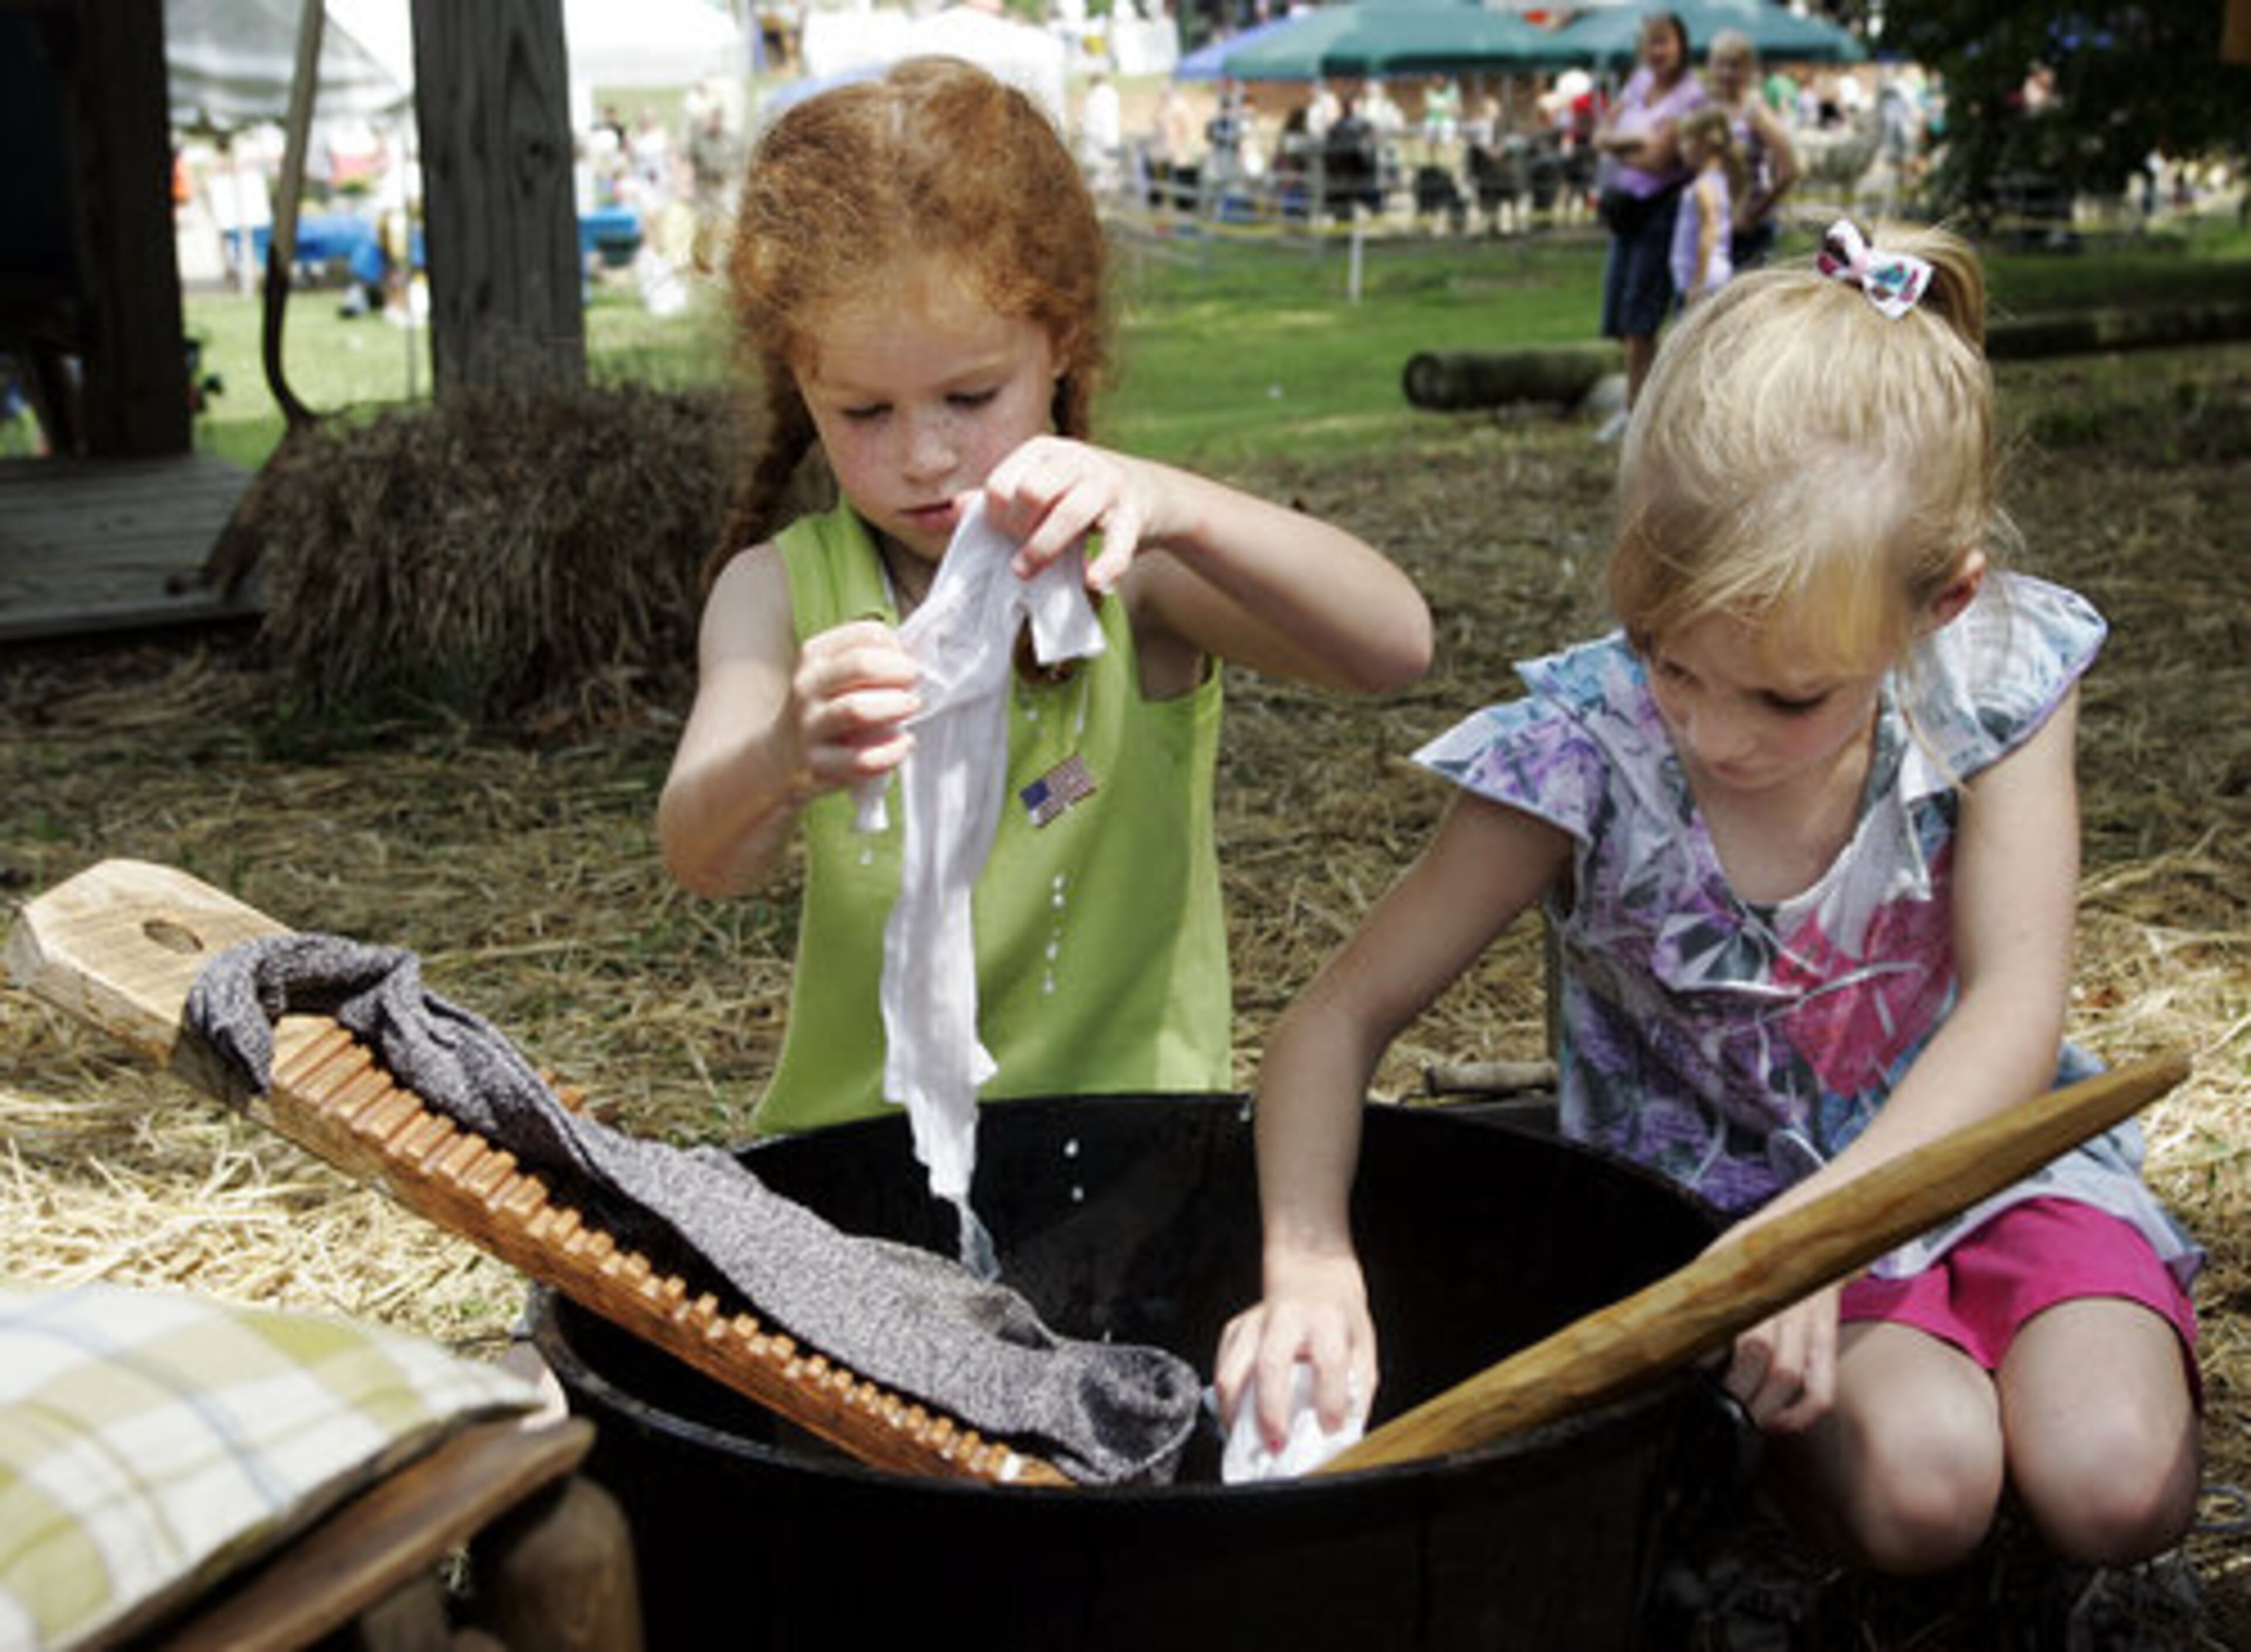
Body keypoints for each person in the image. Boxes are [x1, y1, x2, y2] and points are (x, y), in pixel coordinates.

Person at [1215, 222, 2202, 1580]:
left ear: (1941, 603)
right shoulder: (1583, 749)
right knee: (1926, 1490)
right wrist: (1309, 1259)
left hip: (1980, 1161)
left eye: (1787, 694)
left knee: (2115, 1477)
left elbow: (2015, 1004)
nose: (1710, 729)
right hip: (1729, 1238)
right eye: (1665, 657)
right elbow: (1334, 1017)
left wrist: (1827, 1229)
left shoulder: (1997, 679)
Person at [658, 57, 1433, 1143]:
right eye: (865, 411)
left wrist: (1173, 503)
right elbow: (704, 856)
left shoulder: (1133, 564)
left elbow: (1392, 646)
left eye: (970, 397)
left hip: (1132, 1147)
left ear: (1058, 341)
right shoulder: (781, 595)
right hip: (862, 1160)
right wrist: (783, 754)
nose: (926, 455)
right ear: (801, 380)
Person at [1589, 11, 1705, 437]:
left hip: (1663, 209)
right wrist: (1633, 142)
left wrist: (1620, 145)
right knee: (1621, 314)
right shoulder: (1639, 83)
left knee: (1644, 312)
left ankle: (1645, 410)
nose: (1656, 51)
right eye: (1649, 42)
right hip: (1626, 208)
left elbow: (1661, 159)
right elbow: (1601, 133)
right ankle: (1634, 405)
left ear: (1680, 45)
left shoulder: (1691, 95)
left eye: (1664, 42)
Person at [1704, 29, 1800, 269]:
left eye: (1735, 65)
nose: (1727, 73)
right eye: (1721, 64)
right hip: (1708, 224)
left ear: (1748, 69)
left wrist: (1754, 214)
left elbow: (1790, 169)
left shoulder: (1755, 111)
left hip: (1745, 231)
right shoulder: (1705, 107)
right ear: (1710, 66)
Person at [1670, 107, 1742, 307]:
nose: (1680, 148)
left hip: (1705, 280)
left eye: (1685, 140)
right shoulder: (1720, 180)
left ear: (1702, 144)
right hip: (1712, 277)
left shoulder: (1704, 186)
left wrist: (1698, 283)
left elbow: (1709, 229)